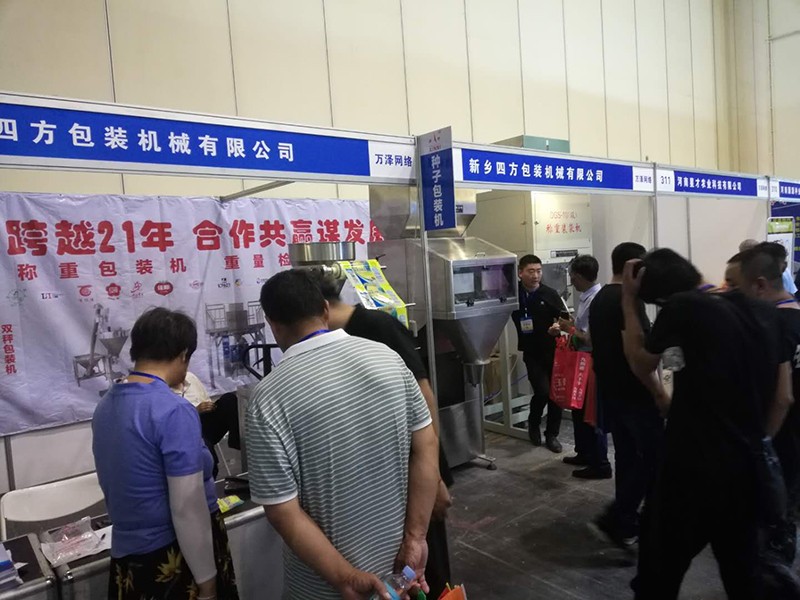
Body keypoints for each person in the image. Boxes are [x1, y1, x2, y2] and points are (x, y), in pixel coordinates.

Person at [246, 270, 439, 600]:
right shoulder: (387, 358)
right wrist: (416, 537)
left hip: (322, 589)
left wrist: (346, 578)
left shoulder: (269, 397)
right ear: (325, 309)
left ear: (272, 324)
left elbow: (282, 510)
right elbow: (427, 444)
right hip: (397, 574)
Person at [621, 248, 792, 599]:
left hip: (689, 471)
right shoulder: (766, 313)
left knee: (658, 575)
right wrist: (755, 443)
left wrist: (628, 299)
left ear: (661, 296)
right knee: (743, 576)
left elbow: (640, 362)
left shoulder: (683, 306)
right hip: (745, 473)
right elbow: (783, 397)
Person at [316, 275, 453, 599]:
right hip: (385, 476)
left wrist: (435, 476)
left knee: (426, 565)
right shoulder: (336, 340)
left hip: (417, 471)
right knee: (399, 568)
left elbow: (423, 397)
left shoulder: (376, 327)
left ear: (322, 309)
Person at [92, 307, 238, 600]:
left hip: (129, 562)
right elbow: (187, 507)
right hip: (174, 560)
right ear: (183, 354)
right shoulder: (173, 410)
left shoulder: (106, 405)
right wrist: (207, 582)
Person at [586, 243, 665, 549]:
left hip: (612, 391)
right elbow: (636, 355)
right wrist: (658, 392)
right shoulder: (627, 301)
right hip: (635, 393)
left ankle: (625, 520)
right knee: (653, 459)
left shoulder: (600, 297)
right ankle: (622, 517)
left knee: (628, 456)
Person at [740, 243, 800, 559]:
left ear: (760, 285)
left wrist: (763, 441)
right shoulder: (794, 316)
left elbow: (782, 397)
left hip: (778, 438)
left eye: (740, 288)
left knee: (773, 525)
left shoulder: (770, 325)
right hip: (792, 439)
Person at [555, 255, 610, 479]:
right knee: (579, 409)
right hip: (581, 361)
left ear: (578, 276)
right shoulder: (588, 297)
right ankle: (585, 452)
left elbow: (588, 338)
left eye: (572, 277)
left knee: (591, 412)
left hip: (590, 362)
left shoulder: (596, 299)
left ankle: (600, 463)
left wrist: (568, 328)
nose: (571, 281)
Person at [512, 254, 565, 453]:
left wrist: (557, 327)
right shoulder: (514, 294)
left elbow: (565, 318)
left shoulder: (549, 294)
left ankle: (552, 435)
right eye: (531, 271)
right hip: (531, 352)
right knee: (542, 391)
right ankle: (534, 423)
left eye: (539, 271)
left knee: (555, 395)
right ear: (520, 273)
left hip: (552, 351)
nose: (535, 275)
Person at [173, 372, 241, 479]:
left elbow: (206, 400)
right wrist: (195, 411)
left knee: (229, 399)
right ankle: (211, 472)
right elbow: (172, 421)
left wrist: (209, 406)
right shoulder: (162, 389)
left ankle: (239, 443)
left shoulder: (190, 377)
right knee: (202, 440)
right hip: (185, 429)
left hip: (204, 422)